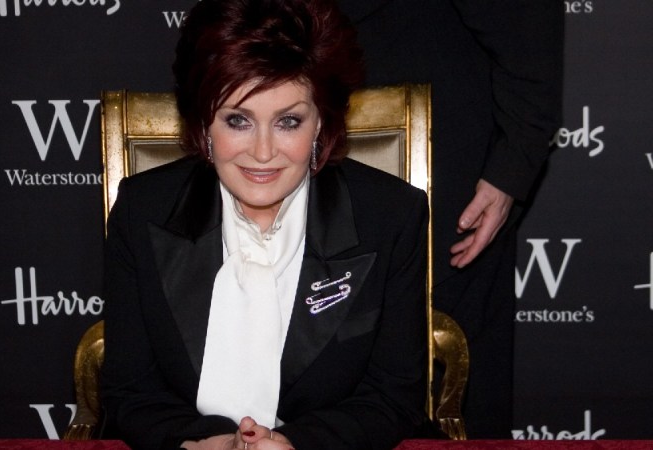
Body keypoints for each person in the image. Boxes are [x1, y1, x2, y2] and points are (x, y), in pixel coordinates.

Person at [100, 0, 430, 448]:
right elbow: (129, 393)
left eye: (288, 122)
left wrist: (300, 444)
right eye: (237, 120)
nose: (261, 152)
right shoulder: (143, 210)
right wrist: (203, 441)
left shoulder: (390, 216)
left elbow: (394, 397)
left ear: (320, 125)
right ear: (203, 122)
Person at [339, 1, 564, 438]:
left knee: (451, 402)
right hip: (303, 141)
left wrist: (509, 171)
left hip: (443, 171)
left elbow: (530, 29)